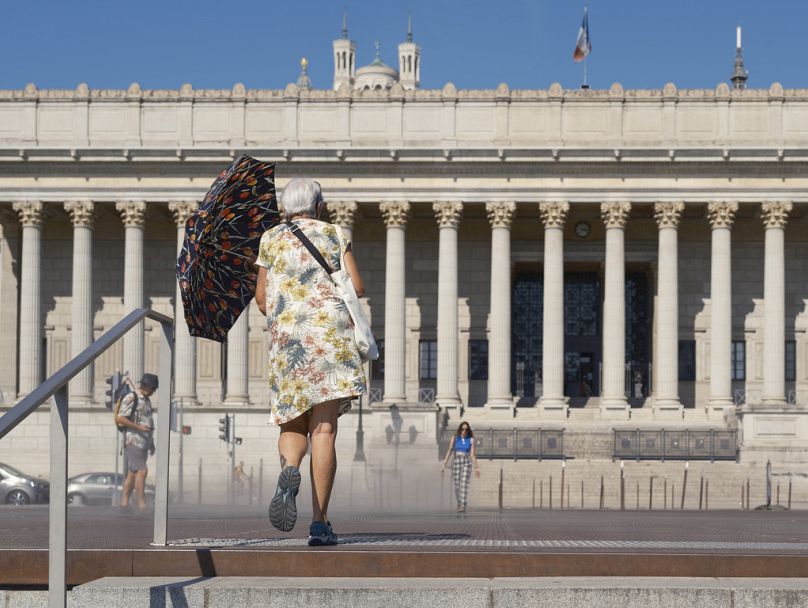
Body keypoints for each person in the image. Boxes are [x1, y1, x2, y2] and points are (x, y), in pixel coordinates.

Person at [255, 177, 367, 546]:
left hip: (289, 345)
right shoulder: (333, 233)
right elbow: (357, 286)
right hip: (330, 341)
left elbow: (260, 298)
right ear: (317, 206)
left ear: (285, 207)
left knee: (291, 425)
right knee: (324, 430)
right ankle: (319, 523)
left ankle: (290, 469)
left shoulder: (270, 239)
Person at [116, 373, 158, 510]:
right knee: (142, 470)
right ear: (148, 386)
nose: (154, 392)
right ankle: (141, 504)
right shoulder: (131, 397)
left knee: (133, 473)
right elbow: (120, 418)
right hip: (133, 440)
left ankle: (124, 503)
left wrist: (151, 443)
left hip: (144, 442)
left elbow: (148, 422)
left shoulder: (146, 400)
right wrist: (138, 427)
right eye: (154, 389)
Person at [441, 421, 480, 513]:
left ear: (468, 430)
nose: (464, 431)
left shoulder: (471, 439)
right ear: (460, 429)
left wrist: (476, 467)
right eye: (462, 429)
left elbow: (473, 455)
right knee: (457, 485)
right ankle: (459, 503)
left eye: (466, 429)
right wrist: (444, 464)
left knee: (463, 484)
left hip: (466, 461)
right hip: (457, 461)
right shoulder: (455, 438)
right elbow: (450, 450)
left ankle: (463, 505)